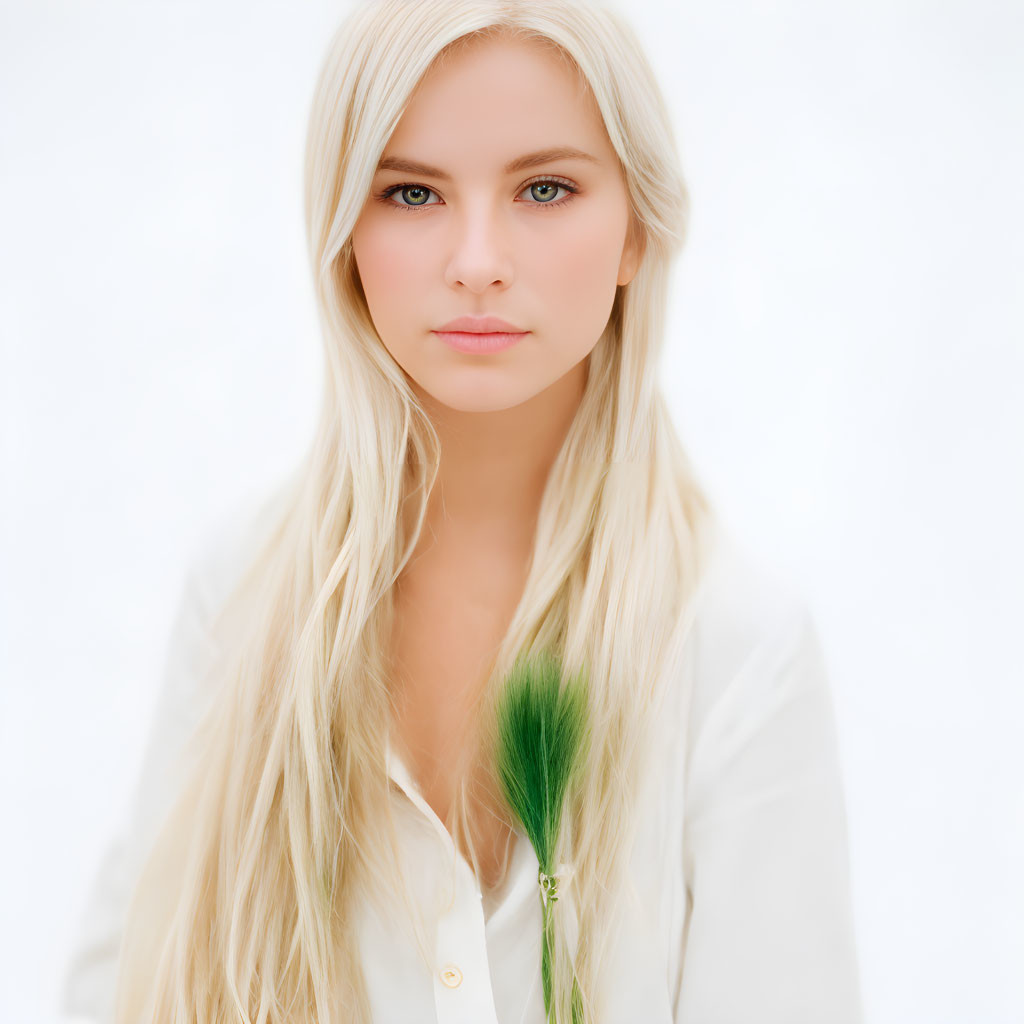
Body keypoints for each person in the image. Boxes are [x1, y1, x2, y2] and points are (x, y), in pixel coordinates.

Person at [60, 1, 863, 1021]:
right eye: (410, 191)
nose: (477, 258)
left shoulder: (736, 652)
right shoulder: (240, 588)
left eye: (543, 188)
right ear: (344, 231)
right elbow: (120, 989)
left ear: (637, 230)